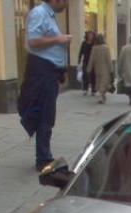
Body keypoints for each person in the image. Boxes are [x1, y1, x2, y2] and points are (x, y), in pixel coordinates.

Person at [17, 0, 72, 172]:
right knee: (44, 115)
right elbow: (33, 41)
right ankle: (43, 159)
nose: (67, 4)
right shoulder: (39, 13)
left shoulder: (48, 14)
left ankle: (44, 155)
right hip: (42, 71)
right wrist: (59, 39)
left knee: (47, 115)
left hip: (48, 71)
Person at [87, 34, 113, 104]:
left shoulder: (94, 48)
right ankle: (101, 97)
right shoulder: (106, 48)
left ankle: (102, 96)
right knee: (104, 83)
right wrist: (111, 69)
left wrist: (89, 68)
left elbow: (91, 59)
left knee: (99, 82)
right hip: (105, 69)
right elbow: (108, 59)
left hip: (97, 68)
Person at [78, 31, 96, 95]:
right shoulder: (84, 43)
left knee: (93, 75)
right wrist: (79, 60)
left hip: (93, 61)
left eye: (91, 35)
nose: (90, 36)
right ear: (87, 36)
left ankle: (93, 89)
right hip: (85, 61)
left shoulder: (94, 43)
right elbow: (81, 52)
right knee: (85, 75)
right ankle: (85, 89)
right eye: (89, 35)